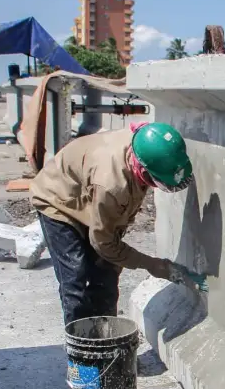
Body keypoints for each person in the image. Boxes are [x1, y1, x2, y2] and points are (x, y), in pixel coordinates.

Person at [30, 122, 204, 326]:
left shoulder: (146, 144)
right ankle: (82, 354)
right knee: (77, 282)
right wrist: (153, 265)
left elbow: (110, 233)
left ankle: (106, 342)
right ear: (143, 171)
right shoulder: (113, 186)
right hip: (56, 199)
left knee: (106, 277)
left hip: (88, 191)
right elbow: (103, 243)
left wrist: (113, 260)